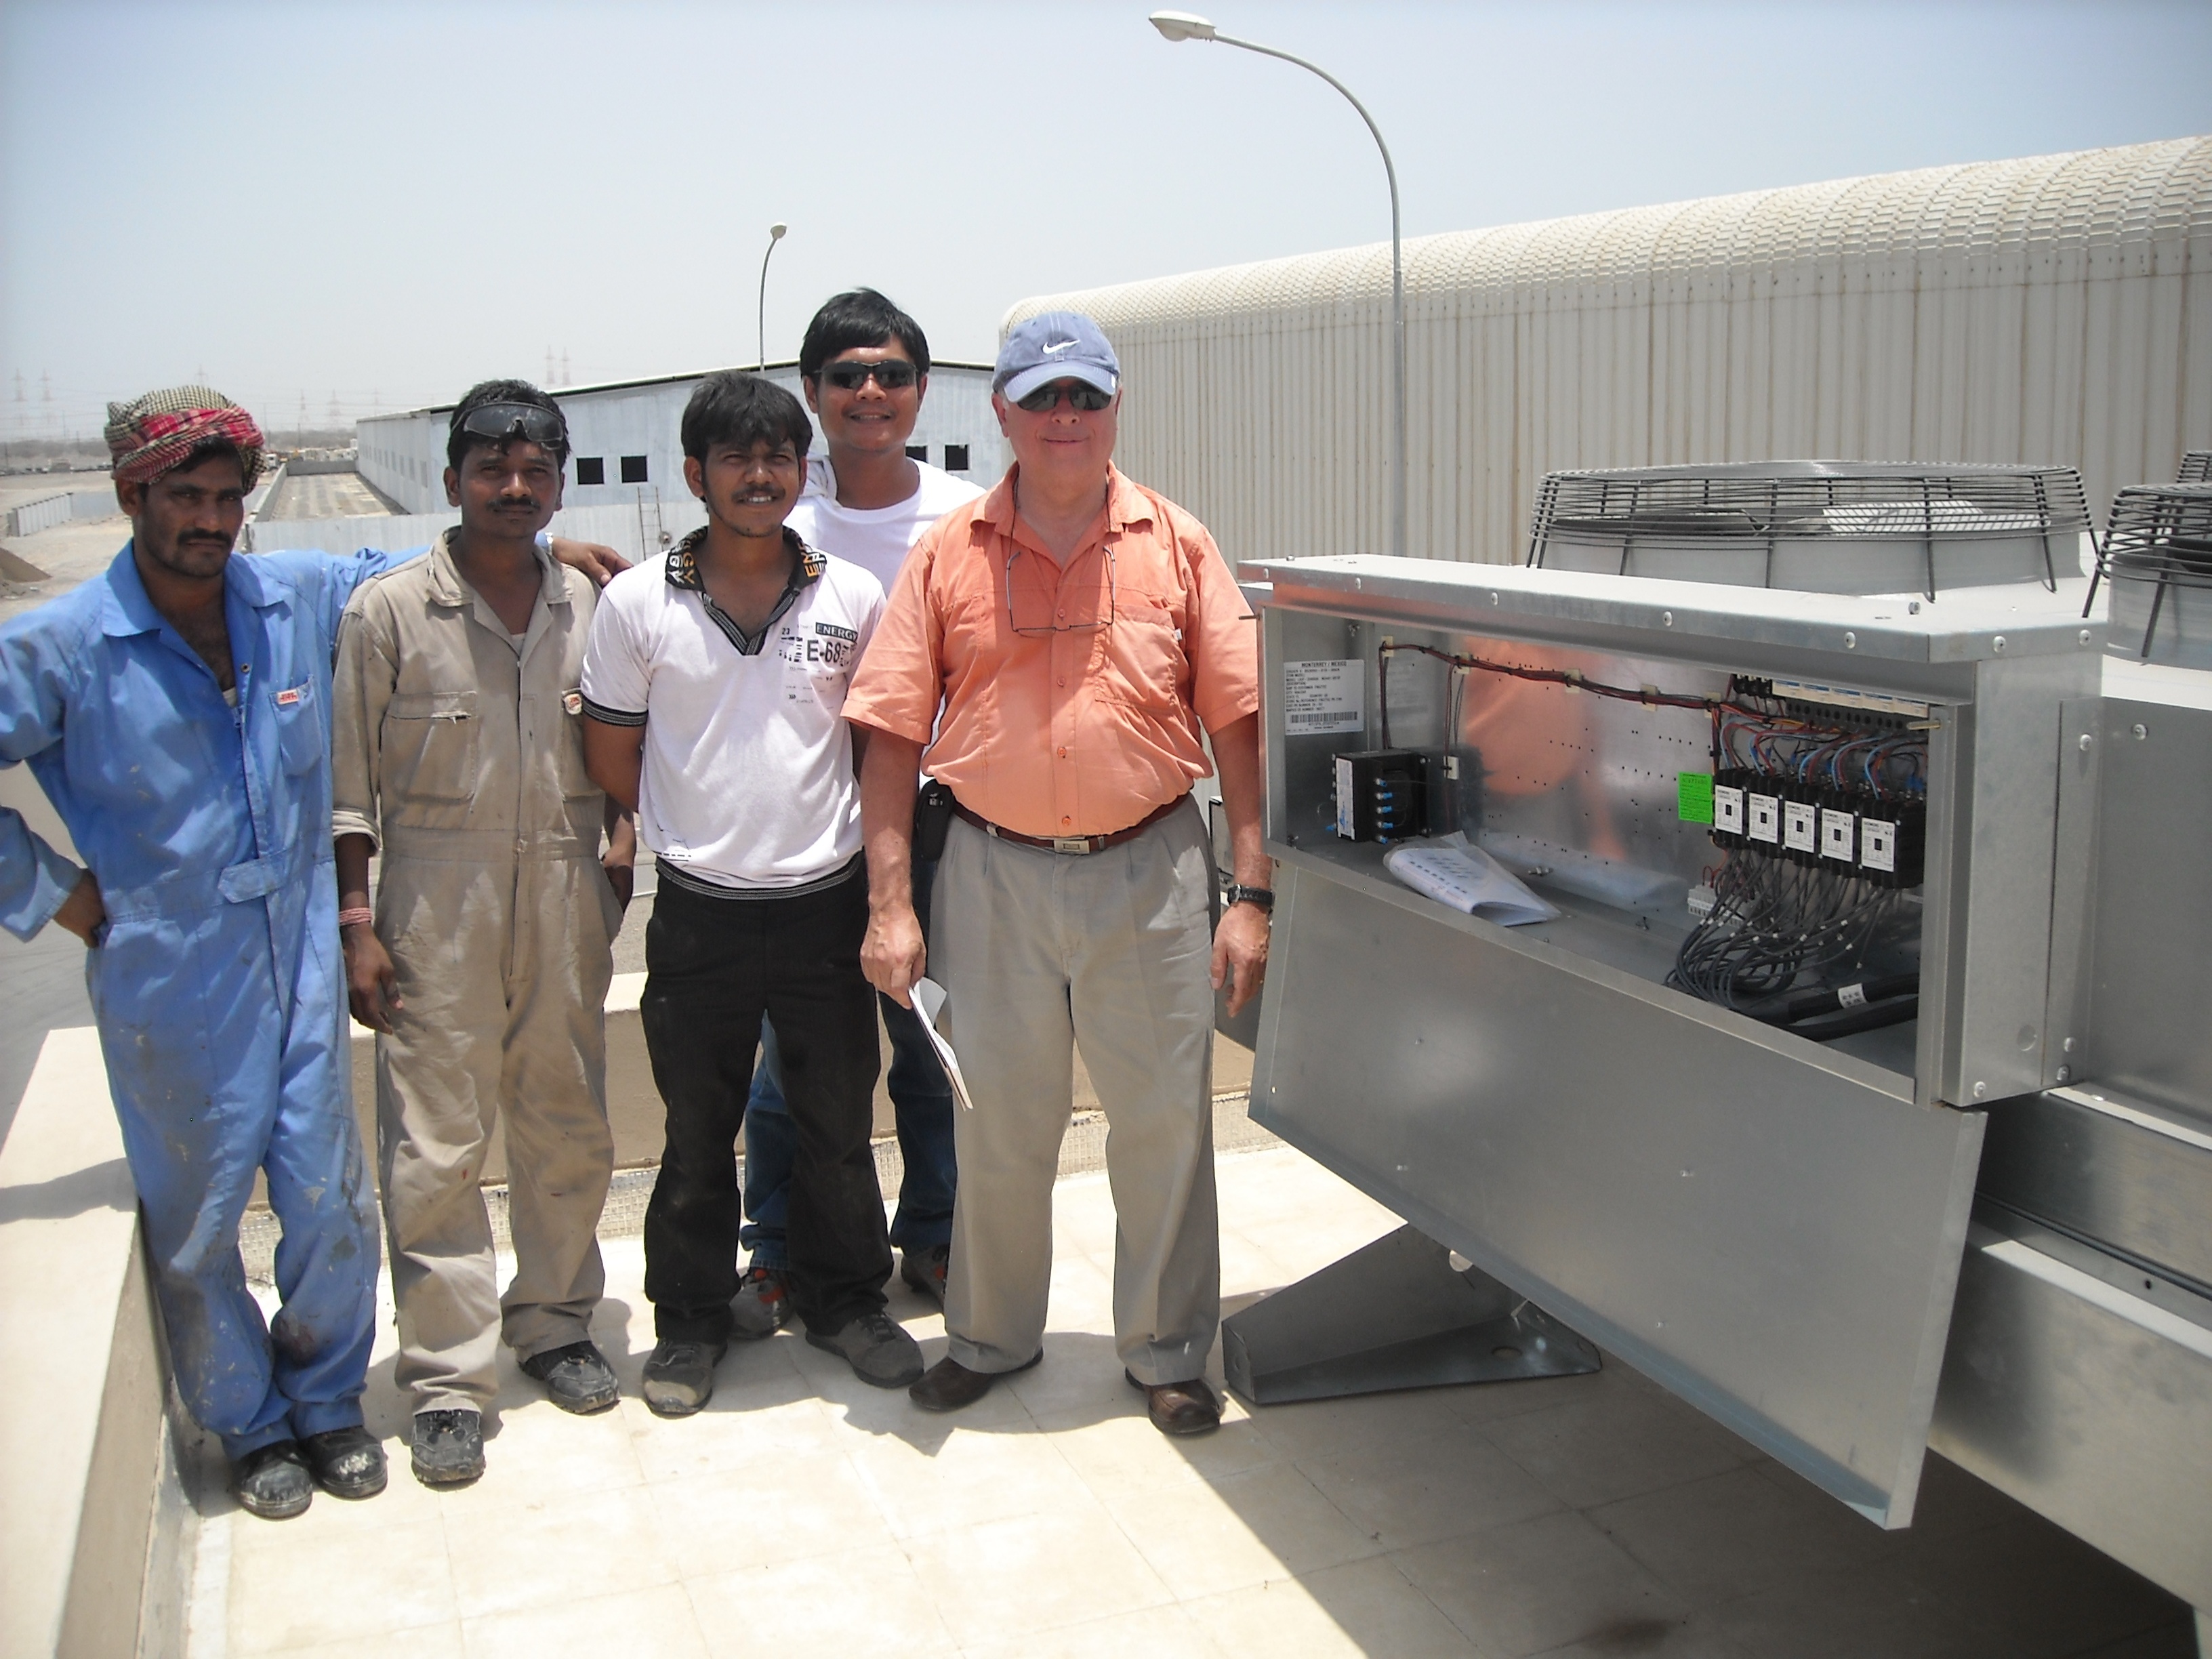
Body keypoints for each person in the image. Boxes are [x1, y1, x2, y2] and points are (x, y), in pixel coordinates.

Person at [0, 386, 621, 1519]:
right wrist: (58, 897)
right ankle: (252, 1422)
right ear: (133, 494)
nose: (212, 517)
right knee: (206, 1211)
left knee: (333, 1197)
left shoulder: (282, 596)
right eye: (184, 495)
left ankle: (332, 1402)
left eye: (230, 497)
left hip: (298, 948)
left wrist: (550, 540)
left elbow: (417, 562)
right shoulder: (64, 643)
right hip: (170, 960)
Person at [844, 312, 1271, 1437]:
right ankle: (988, 1336)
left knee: (1165, 1127)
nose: (1065, 418)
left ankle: (1171, 1351)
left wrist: (1253, 894)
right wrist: (891, 905)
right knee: (997, 1123)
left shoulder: (1178, 544)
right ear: (1003, 414)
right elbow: (890, 732)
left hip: (1154, 873)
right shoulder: (948, 554)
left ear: (1116, 406)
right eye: (1042, 398)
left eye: (1085, 396)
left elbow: (1237, 722)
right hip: (990, 875)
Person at [580, 371, 922, 1414]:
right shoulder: (637, 604)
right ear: (696, 475)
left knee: (833, 1120)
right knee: (695, 1129)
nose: (761, 474)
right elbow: (612, 753)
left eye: (778, 455)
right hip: (698, 912)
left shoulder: (851, 598)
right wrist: (696, 828)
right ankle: (689, 1322)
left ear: (800, 469)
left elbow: (876, 753)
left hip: (824, 902)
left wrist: (877, 894)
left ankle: (846, 1301)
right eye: (737, 457)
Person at [331, 381, 634, 1488]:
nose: (515, 488)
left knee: (567, 1119)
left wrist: (623, 840)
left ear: (559, 479)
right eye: (492, 469)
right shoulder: (389, 613)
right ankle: (450, 1381)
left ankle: (554, 1324)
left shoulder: (595, 604)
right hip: (431, 907)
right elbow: (350, 791)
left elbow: (631, 743)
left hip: (563, 892)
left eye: (536, 469)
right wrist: (358, 923)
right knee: (436, 1143)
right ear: (453, 479)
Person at [733, 289, 981, 1332]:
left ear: (921, 392)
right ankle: (779, 1250)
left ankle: (934, 1234)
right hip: (809, 832)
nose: (868, 393)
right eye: (845, 375)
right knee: (789, 1067)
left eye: (888, 374)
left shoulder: (969, 517)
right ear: (812, 393)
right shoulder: (778, 519)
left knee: (932, 1049)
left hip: (939, 825)